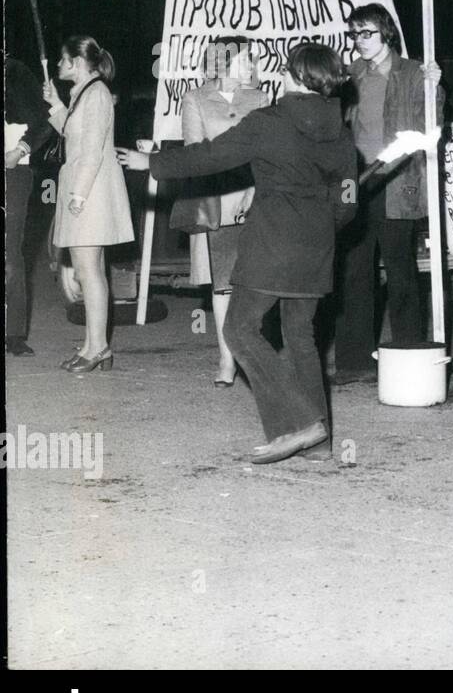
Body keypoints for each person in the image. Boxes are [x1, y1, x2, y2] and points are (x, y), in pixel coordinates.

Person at [119, 43, 358, 464]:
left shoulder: (267, 122)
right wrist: (320, 228)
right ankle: (319, 443)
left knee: (240, 330)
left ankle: (298, 422)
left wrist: (152, 162)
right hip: (317, 248)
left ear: (298, 77)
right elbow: (349, 200)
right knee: (301, 338)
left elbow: (210, 157)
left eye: (286, 69)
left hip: (271, 245)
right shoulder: (341, 132)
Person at [333, 4, 443, 385]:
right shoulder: (351, 75)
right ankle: (352, 362)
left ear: (386, 34)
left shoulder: (413, 73)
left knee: (400, 272)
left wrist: (434, 89)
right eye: (354, 34)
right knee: (353, 272)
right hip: (357, 183)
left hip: (396, 182)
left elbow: (433, 124)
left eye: (366, 33)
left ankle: (409, 356)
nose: (359, 41)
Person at [171, 36, 268, 386]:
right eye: (246, 59)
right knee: (224, 284)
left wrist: (253, 189)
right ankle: (227, 360)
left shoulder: (259, 98)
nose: (252, 66)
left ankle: (256, 356)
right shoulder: (195, 99)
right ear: (224, 61)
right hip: (217, 204)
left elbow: (266, 152)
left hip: (258, 200)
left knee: (258, 281)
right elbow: (196, 153)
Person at [42, 37, 134, 373]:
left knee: (88, 270)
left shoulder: (96, 93)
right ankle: (94, 345)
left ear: (77, 62)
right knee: (88, 269)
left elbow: (93, 149)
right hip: (86, 186)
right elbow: (73, 133)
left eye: (61, 60)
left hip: (91, 188)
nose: (57, 66)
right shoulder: (84, 92)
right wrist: (54, 105)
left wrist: (78, 195)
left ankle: (98, 347)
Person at [5, 55, 54, 356]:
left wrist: (21, 149)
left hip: (12, 171)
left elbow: (44, 120)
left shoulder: (15, 71)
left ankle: (13, 333)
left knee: (10, 252)